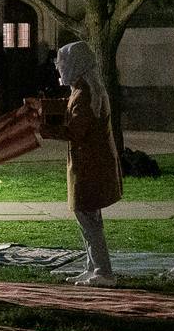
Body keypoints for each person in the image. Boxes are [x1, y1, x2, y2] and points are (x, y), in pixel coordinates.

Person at [39, 41, 123, 285]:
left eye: (63, 64)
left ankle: (103, 271)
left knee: (87, 217)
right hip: (89, 161)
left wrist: (44, 129)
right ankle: (93, 266)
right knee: (88, 216)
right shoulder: (81, 89)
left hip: (90, 163)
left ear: (76, 65)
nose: (59, 69)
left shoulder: (86, 93)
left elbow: (76, 131)